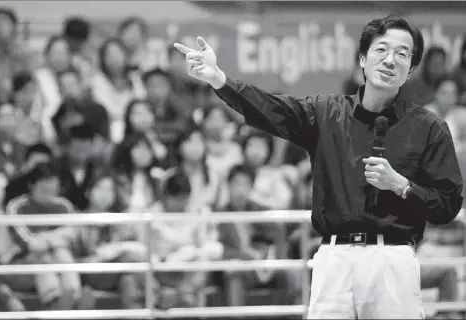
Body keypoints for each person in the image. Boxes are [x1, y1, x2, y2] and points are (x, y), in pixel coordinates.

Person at [174, 15, 464, 319]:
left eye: (402, 54)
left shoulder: (428, 127)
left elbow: (447, 204)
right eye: (381, 50)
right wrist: (219, 78)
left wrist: (402, 186)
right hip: (334, 259)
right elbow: (271, 108)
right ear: (363, 60)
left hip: (393, 258)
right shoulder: (326, 113)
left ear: (411, 70)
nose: (390, 60)